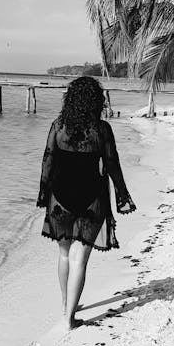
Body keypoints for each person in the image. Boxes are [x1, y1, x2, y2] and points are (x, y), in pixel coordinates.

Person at [37, 77, 136, 330]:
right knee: (80, 259)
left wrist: (43, 192)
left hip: (60, 196)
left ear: (70, 99)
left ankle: (64, 305)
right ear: (96, 100)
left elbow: (48, 160)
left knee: (63, 254)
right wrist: (122, 194)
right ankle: (70, 318)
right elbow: (112, 164)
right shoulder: (101, 129)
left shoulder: (58, 126)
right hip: (91, 196)